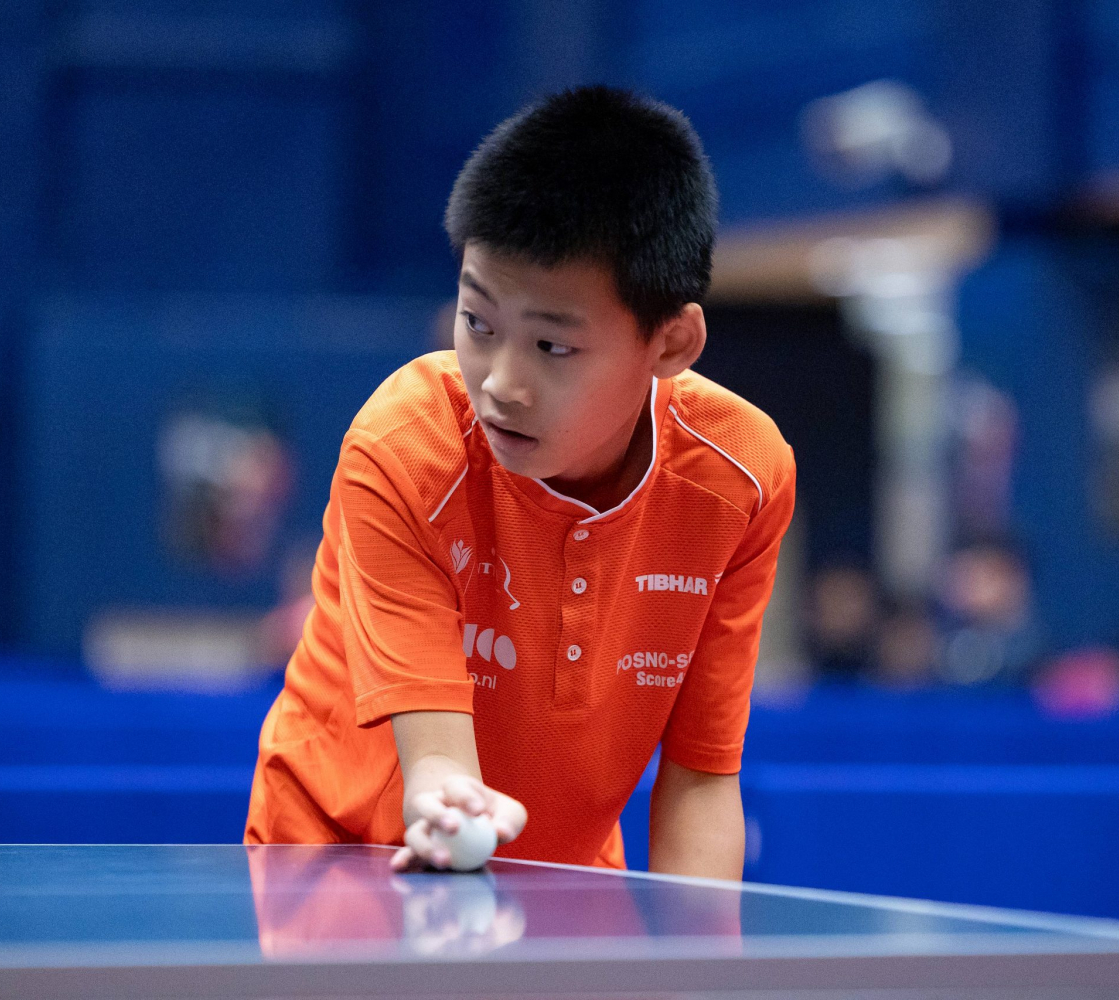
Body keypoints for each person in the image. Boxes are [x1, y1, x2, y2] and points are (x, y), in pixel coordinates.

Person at [245, 86, 797, 880]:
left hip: (565, 880)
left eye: (552, 347)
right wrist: (450, 809)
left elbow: (702, 779)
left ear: (672, 343)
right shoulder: (407, 447)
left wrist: (700, 948)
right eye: (479, 324)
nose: (500, 384)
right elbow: (440, 769)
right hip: (333, 863)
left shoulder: (741, 475)